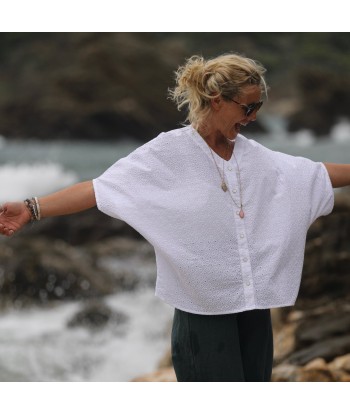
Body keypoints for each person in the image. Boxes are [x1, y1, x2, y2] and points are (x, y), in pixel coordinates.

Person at [0, 53, 349, 382]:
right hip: (202, 317)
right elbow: (100, 189)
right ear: (216, 99)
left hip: (253, 311)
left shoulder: (255, 156)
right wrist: (31, 209)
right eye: (247, 106)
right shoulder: (168, 153)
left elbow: (312, 175)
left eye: (258, 106)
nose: (254, 116)